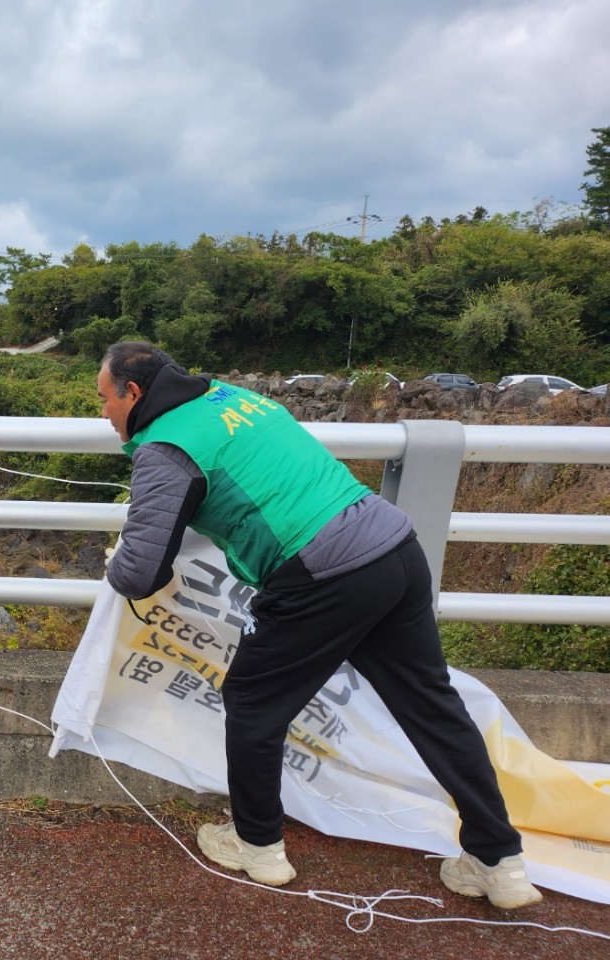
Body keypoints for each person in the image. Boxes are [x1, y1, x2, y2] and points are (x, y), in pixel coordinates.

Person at [97, 341, 541, 909]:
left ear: (133, 393)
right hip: (393, 547)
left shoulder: (164, 447)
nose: (103, 414)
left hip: (323, 574)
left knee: (253, 701)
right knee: (432, 704)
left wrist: (117, 560)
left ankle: (256, 845)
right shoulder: (233, 396)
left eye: (104, 400)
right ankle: (499, 860)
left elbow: (138, 574)